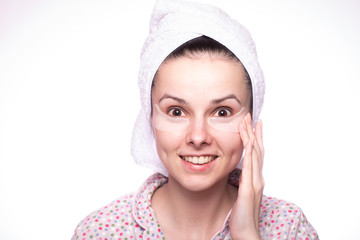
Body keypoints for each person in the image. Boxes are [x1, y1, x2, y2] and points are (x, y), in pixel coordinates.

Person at [71, 1, 318, 239]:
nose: (198, 137)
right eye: (176, 111)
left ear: (251, 121)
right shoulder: (99, 232)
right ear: (149, 116)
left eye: (222, 112)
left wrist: (247, 235)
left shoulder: (289, 228)